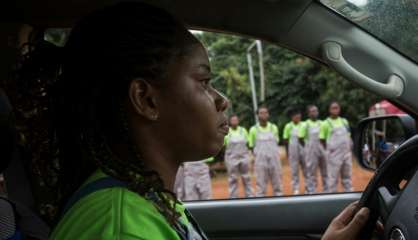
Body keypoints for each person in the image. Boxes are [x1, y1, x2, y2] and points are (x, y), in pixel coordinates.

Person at [19, 3, 370, 239]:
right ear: (146, 99)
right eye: (203, 81)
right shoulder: (122, 225)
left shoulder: (142, 198)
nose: (221, 100)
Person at [249, 106, 282, 197]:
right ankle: (260, 204)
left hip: (274, 160)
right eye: (261, 113)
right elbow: (251, 147)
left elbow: (276, 143)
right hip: (260, 161)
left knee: (277, 183)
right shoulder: (253, 130)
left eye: (265, 112)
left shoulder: (273, 128)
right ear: (257, 115)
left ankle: (279, 201)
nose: (264, 115)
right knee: (261, 185)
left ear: (268, 114)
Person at [320, 102, 353, 193]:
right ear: (329, 110)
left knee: (347, 177)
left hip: (346, 154)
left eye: (337, 108)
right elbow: (322, 140)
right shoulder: (325, 123)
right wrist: (330, 151)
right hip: (334, 155)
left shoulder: (344, 121)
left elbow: (348, 136)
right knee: (333, 178)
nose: (335, 110)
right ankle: (332, 196)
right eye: (333, 108)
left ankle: (348, 194)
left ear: (339, 109)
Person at [299, 105, 328, 194]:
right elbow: (300, 138)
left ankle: (327, 190)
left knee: (325, 170)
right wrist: (307, 147)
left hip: (322, 149)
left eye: (316, 111)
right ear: (308, 113)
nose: (314, 113)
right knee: (311, 171)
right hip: (311, 150)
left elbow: (326, 137)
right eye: (312, 111)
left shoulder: (322, 123)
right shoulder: (305, 124)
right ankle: (311, 190)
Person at [224, 115, 253, 198]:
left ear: (238, 121)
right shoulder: (227, 131)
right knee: (232, 178)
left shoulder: (243, 130)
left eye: (236, 120)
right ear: (230, 122)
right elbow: (223, 146)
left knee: (246, 177)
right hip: (231, 158)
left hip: (244, 157)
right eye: (232, 120)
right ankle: (233, 197)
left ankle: (250, 195)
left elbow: (247, 143)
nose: (234, 122)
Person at [283, 109, 305, 195]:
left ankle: (309, 188)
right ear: (292, 117)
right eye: (296, 116)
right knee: (294, 171)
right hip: (293, 151)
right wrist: (287, 152)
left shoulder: (303, 125)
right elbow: (285, 140)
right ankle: (296, 188)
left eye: (299, 116)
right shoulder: (288, 126)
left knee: (306, 170)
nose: (298, 117)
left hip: (303, 150)